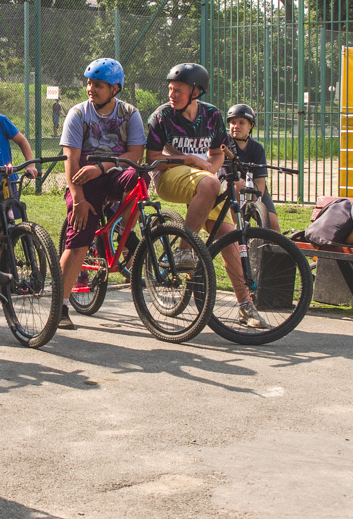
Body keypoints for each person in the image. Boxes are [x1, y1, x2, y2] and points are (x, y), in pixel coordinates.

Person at [144, 62, 259, 325]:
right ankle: (185, 249)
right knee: (209, 184)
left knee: (227, 236)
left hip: (204, 181)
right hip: (169, 175)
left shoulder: (212, 116)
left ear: (195, 92)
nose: (171, 95)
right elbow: (152, 158)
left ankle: (245, 305)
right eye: (170, 89)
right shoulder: (161, 117)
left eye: (178, 90)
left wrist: (211, 169)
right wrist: (190, 161)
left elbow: (217, 154)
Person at [54, 59, 146, 330]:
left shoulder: (130, 113)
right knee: (79, 238)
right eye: (89, 83)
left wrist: (102, 167)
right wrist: (79, 200)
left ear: (115, 89)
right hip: (83, 181)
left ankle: (122, 233)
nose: (91, 89)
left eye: (98, 85)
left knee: (139, 179)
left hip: (113, 172)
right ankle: (59, 305)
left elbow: (135, 155)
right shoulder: (78, 114)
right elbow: (70, 160)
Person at [224, 103, 279, 231]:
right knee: (238, 185)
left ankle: (269, 249)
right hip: (229, 186)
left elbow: (260, 181)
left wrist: (255, 203)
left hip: (253, 188)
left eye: (241, 123)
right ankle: (237, 231)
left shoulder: (257, 148)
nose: (236, 126)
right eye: (233, 122)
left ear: (251, 125)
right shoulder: (224, 144)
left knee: (273, 225)